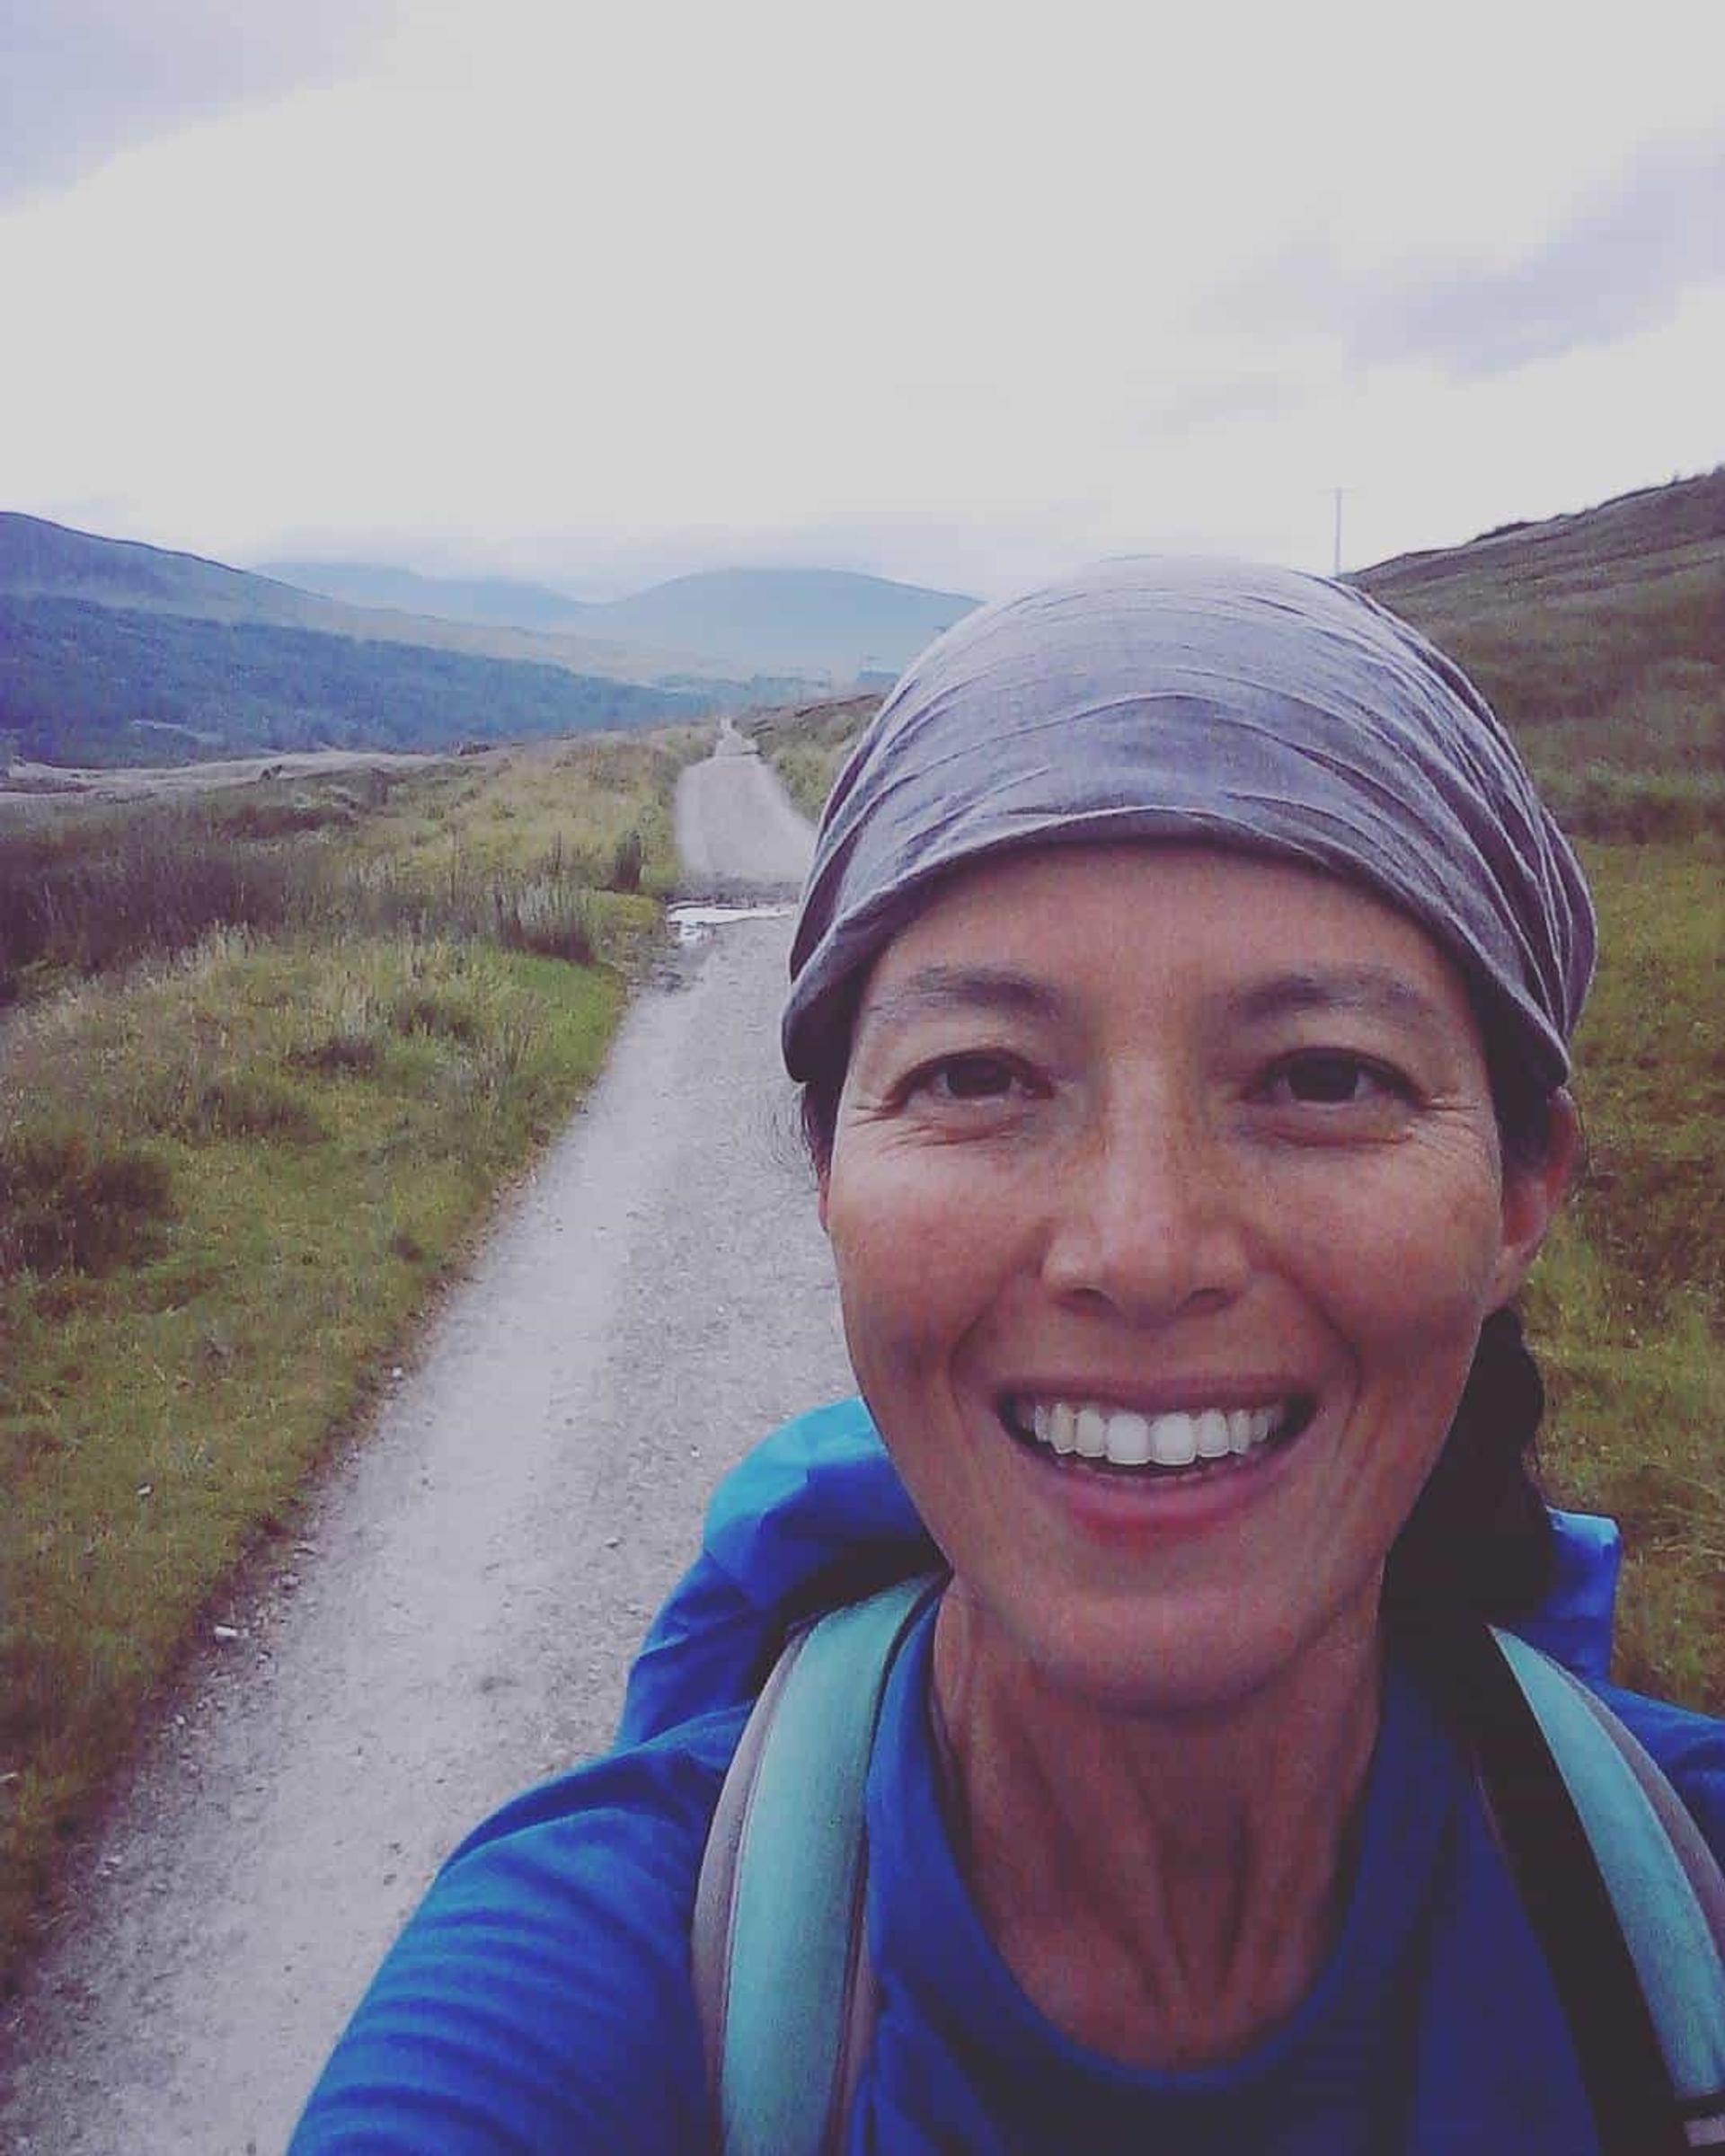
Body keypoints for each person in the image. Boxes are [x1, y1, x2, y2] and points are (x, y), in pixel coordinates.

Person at [291, 558, 1725, 2154]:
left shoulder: (1695, 1905)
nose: (1140, 1250)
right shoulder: (585, 1977)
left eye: (1323, 1076)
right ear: (829, 1165)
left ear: (1523, 1189)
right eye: (979, 1073)